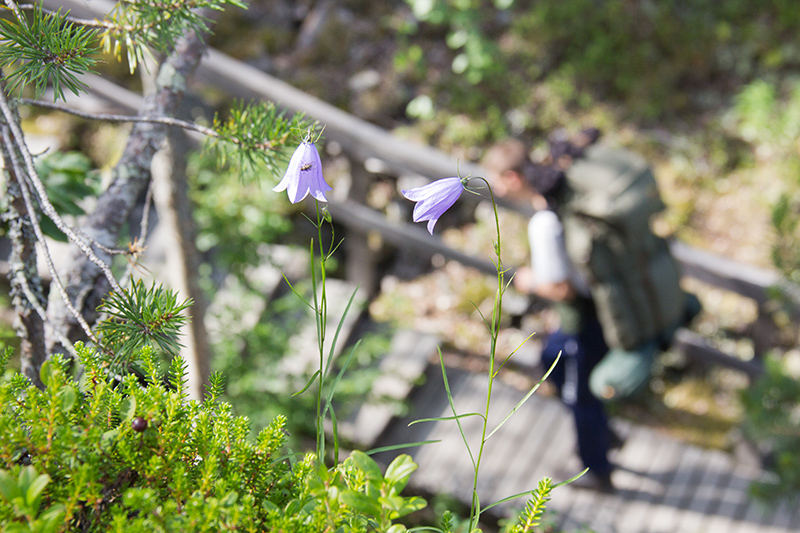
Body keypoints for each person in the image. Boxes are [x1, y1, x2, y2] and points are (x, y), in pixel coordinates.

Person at [482, 135, 617, 492]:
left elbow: (561, 289)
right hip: (597, 305)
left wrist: (527, 281)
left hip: (588, 317)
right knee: (550, 357)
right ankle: (604, 435)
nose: (494, 186)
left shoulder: (544, 222)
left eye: (495, 178)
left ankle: (597, 471)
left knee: (580, 393)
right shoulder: (559, 195)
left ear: (511, 178)